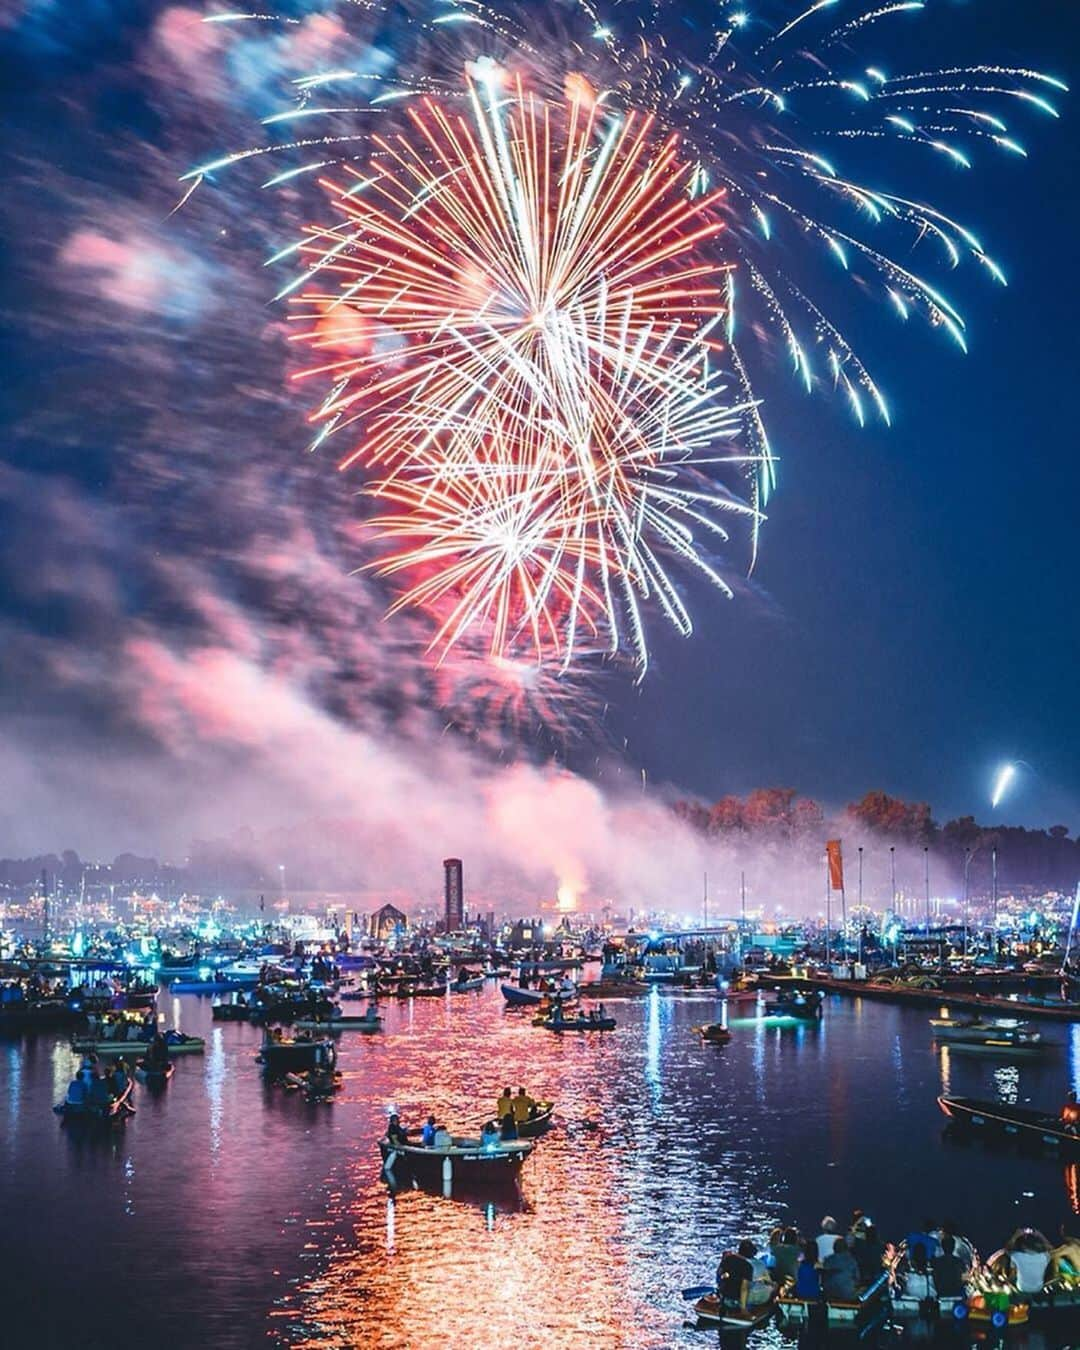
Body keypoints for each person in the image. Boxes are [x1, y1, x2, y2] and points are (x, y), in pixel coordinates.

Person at [1000, 1228, 1051, 1292]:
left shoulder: (1017, 1256)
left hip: (1022, 1288)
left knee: (1010, 1261)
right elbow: (1050, 1247)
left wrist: (1016, 1235)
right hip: (1038, 1288)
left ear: (1023, 1245)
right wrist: (1039, 1235)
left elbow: (1007, 1249)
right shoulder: (1045, 1256)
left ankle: (1008, 1279)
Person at [716, 1242, 754, 1311]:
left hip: (724, 1297)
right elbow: (744, 1288)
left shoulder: (728, 1258)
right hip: (736, 1301)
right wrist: (743, 1309)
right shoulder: (748, 1266)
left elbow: (719, 1273)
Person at [821, 1237, 860, 1303]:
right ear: (846, 1248)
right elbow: (857, 1278)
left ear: (834, 1248)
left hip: (829, 1294)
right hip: (847, 1295)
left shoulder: (827, 1260)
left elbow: (823, 1277)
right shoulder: (851, 1260)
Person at [931, 1234, 967, 1298]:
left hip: (942, 1294)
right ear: (953, 1246)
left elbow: (934, 1279)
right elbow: (964, 1280)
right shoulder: (960, 1262)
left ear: (942, 1247)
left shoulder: (936, 1262)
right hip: (957, 1294)